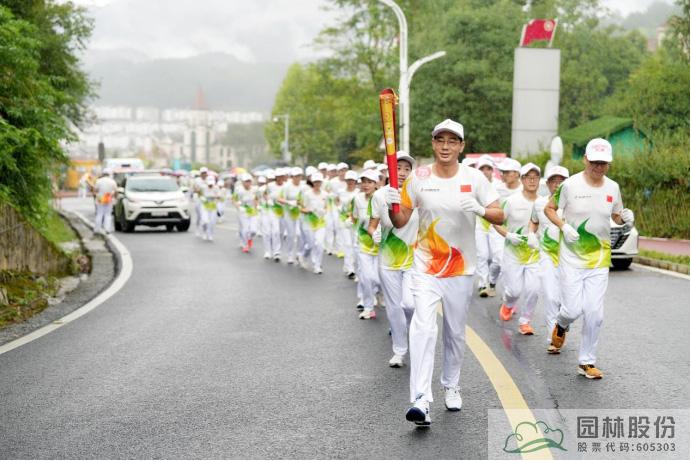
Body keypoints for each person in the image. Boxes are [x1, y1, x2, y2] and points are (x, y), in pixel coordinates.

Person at [386, 119, 503, 425]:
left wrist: (480, 210)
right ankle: (420, 399)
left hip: (461, 269)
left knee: (454, 332)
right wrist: (392, 205)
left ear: (461, 146)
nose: (446, 146)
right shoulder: (419, 177)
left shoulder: (474, 178)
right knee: (423, 328)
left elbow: (500, 213)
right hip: (425, 266)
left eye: (452, 141)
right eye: (441, 140)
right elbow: (401, 221)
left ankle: (451, 384)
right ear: (433, 143)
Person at [544, 138, 634, 379]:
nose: (598, 167)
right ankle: (562, 323)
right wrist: (564, 227)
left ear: (609, 163)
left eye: (603, 163)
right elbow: (549, 209)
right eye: (594, 162)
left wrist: (626, 218)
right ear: (585, 159)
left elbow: (615, 216)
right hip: (571, 258)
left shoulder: (612, 187)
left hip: (599, 259)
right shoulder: (569, 185)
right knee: (572, 310)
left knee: (595, 313)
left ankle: (586, 362)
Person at [368, 151, 417, 368]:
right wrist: (374, 233)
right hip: (388, 260)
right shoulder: (379, 196)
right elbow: (372, 225)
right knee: (394, 308)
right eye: (398, 168)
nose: (403, 173)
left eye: (407, 169)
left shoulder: (417, 195)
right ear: (389, 170)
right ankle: (400, 350)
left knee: (410, 304)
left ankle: (413, 332)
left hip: (414, 259)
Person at [495, 163, 542, 335]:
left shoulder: (542, 203)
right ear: (522, 179)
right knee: (514, 291)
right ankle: (508, 304)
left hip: (534, 254)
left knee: (533, 290)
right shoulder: (511, 201)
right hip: (513, 253)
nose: (532, 181)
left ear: (539, 180)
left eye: (535, 177)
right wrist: (508, 235)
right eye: (528, 177)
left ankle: (525, 321)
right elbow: (496, 222)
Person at [529, 165, 570, 349]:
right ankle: (553, 339)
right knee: (551, 296)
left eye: (561, 181)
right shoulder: (539, 204)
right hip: (546, 254)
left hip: (569, 256)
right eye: (554, 180)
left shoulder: (573, 204)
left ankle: (562, 322)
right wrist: (531, 233)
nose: (557, 184)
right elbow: (534, 221)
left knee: (567, 300)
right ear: (547, 183)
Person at [352, 169, 381, 320]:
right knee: (366, 277)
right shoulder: (357, 199)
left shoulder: (382, 198)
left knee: (378, 278)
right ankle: (368, 307)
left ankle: (378, 292)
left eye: (369, 182)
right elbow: (355, 217)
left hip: (382, 245)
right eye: (363, 182)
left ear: (376, 184)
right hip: (363, 244)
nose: (366, 185)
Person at [474, 155, 502, 297]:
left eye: (488, 168)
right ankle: (483, 284)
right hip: (479, 224)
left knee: (497, 258)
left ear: (492, 170)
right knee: (482, 255)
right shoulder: (474, 185)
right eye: (482, 169)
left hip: (495, 226)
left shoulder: (500, 186)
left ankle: (492, 280)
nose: (485, 171)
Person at [300, 172, 328, 274]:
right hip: (308, 222)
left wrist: (324, 211)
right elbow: (301, 208)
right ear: (312, 182)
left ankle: (317, 265)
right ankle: (303, 255)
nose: (317, 184)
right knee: (311, 244)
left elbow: (326, 207)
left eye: (319, 182)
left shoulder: (325, 194)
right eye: (315, 182)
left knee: (320, 244)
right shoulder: (307, 194)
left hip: (320, 223)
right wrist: (307, 210)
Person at [278, 167, 304, 264]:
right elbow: (280, 199)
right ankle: (290, 255)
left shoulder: (304, 186)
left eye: (299, 176)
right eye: (295, 176)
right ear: (292, 177)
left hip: (300, 213)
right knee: (291, 235)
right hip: (289, 213)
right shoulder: (287, 187)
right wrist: (289, 202)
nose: (297, 178)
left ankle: (299, 254)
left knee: (300, 234)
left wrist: (301, 203)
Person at [338, 171, 359, 279]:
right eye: (348, 180)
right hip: (344, 221)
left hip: (355, 221)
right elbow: (338, 203)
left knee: (355, 245)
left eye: (352, 180)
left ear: (355, 181)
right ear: (345, 181)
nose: (350, 182)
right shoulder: (340, 192)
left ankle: (353, 266)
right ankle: (350, 269)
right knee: (347, 244)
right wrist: (342, 213)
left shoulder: (359, 192)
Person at [233, 173, 259, 253]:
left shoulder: (255, 189)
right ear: (242, 182)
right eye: (246, 181)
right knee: (245, 229)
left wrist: (256, 206)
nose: (247, 183)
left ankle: (249, 238)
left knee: (254, 230)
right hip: (243, 211)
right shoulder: (238, 190)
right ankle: (245, 245)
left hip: (252, 211)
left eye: (249, 181)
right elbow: (234, 199)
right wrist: (238, 207)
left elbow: (257, 199)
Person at [93, 168, 118, 235]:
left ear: (103, 174)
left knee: (99, 214)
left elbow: (95, 191)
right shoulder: (112, 181)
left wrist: (97, 196)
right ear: (109, 174)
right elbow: (116, 191)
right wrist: (115, 198)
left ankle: (97, 230)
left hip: (100, 200)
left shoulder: (98, 181)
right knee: (108, 215)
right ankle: (107, 229)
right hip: (109, 199)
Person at [201, 176, 221, 241]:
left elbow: (219, 196)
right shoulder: (203, 188)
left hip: (213, 206)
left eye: (211, 183)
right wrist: (203, 198)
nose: (210, 185)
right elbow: (200, 196)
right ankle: (204, 232)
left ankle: (210, 234)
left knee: (212, 222)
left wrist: (216, 196)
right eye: (209, 183)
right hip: (205, 206)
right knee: (205, 221)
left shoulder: (216, 188)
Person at [193, 167, 209, 237]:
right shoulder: (197, 180)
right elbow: (195, 189)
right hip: (199, 199)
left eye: (205, 173)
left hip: (207, 201)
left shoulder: (209, 180)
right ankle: (197, 228)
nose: (204, 174)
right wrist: (198, 191)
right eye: (203, 173)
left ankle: (205, 231)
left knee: (205, 217)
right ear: (200, 173)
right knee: (199, 216)